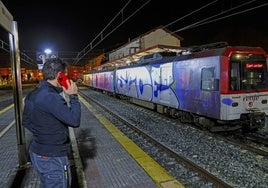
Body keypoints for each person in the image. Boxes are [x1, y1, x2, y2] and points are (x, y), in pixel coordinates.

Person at [22, 58, 81, 188]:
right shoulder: (51, 98)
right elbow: (74, 120)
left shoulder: (33, 94)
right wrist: (73, 96)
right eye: (65, 75)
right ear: (60, 76)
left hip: (37, 152)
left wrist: (44, 131)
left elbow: (26, 122)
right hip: (53, 156)